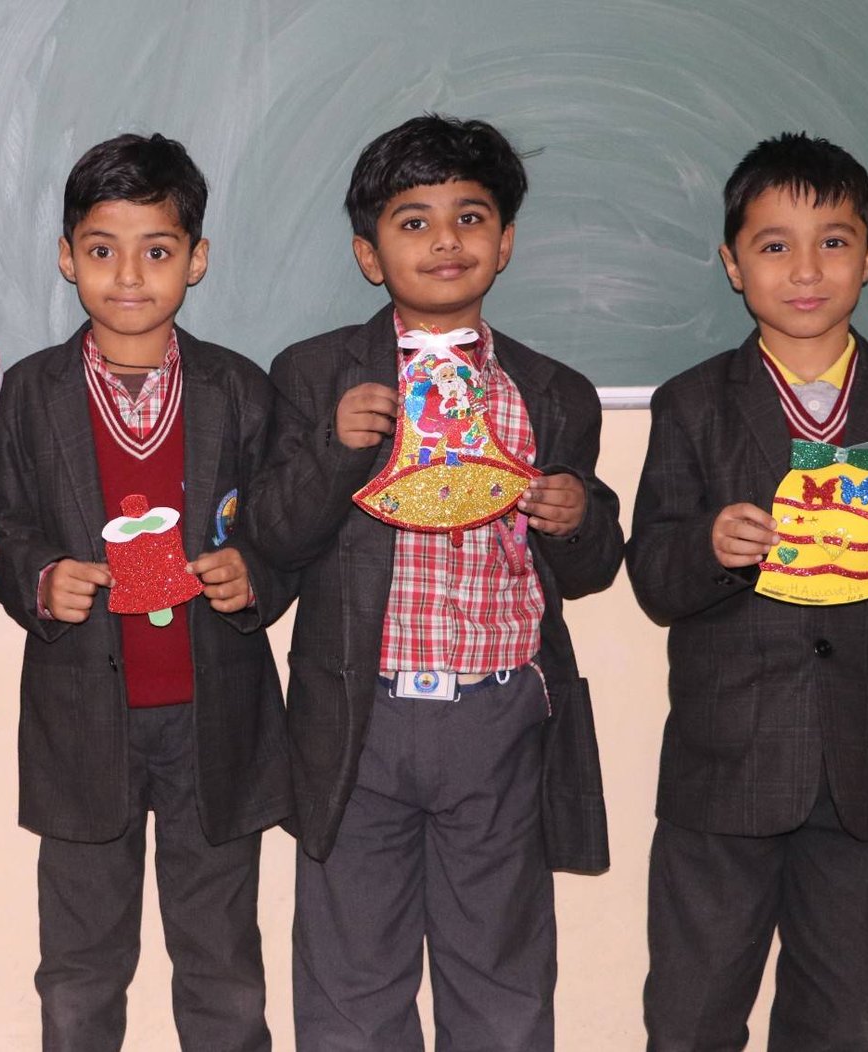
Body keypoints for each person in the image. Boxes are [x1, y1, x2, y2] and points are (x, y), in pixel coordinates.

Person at [242, 114, 623, 1050]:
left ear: (505, 241)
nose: (445, 240)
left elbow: (594, 566)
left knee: (501, 976)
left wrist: (578, 515)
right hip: (357, 717)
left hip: (499, 716)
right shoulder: (317, 374)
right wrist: (337, 449)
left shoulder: (552, 391)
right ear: (369, 256)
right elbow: (275, 537)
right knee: (350, 984)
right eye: (413, 221)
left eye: (470, 217)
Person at [629, 131, 868, 1051]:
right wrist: (711, 547)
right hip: (723, 765)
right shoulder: (692, 403)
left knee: (849, 1024)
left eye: (834, 241)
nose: (806, 269)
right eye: (775, 245)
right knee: (691, 1019)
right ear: (733, 264)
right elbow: (653, 574)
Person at [0, 132, 293, 1051]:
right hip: (82, 722)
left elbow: (281, 532)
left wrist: (253, 577)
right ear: (66, 257)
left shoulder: (239, 389)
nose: (129, 275)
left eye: (157, 250)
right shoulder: (30, 393)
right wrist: (42, 579)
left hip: (215, 719)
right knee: (80, 969)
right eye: (102, 249)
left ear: (196, 259)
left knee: (223, 964)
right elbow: (7, 530)